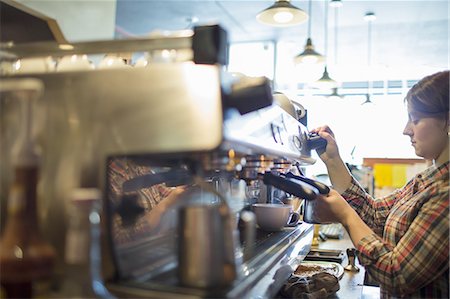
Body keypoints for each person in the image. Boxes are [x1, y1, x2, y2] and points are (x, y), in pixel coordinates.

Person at [311, 70, 449, 298]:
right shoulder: (426, 180)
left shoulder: (445, 193)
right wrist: (333, 160)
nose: (407, 130)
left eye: (416, 119)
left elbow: (397, 275)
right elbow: (374, 214)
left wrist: (345, 215)